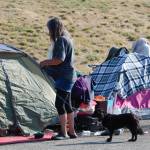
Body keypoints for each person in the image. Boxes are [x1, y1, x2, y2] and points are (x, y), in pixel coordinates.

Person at [40, 17, 77, 140]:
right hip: (70, 76)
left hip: (64, 78)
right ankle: (72, 132)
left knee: (59, 104)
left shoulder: (61, 40)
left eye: (49, 29)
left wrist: (45, 62)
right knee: (68, 105)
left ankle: (64, 133)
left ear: (53, 29)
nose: (48, 32)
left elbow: (59, 60)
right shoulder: (68, 39)